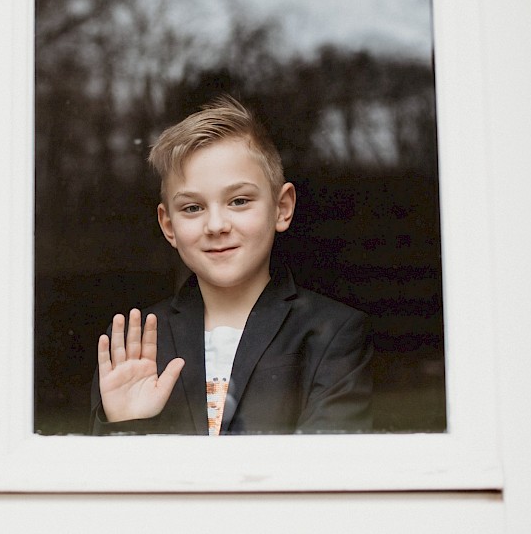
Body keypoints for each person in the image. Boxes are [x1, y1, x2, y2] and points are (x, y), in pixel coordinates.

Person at [90, 96, 372, 435]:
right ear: (168, 226)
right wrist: (126, 425)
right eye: (193, 208)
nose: (216, 224)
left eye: (239, 201)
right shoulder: (132, 346)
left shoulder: (332, 332)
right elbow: (110, 481)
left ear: (282, 208)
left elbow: (327, 475)